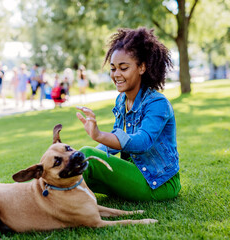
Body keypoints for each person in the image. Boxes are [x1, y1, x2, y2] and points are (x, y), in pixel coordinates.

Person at [76, 27, 181, 201]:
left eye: (123, 68)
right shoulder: (121, 100)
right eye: (113, 68)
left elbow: (142, 142)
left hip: (158, 182)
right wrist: (87, 155)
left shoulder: (158, 104)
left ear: (141, 67)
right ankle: (42, 195)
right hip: (133, 171)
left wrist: (99, 135)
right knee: (79, 161)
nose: (116, 74)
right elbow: (113, 145)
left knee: (85, 156)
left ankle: (51, 205)